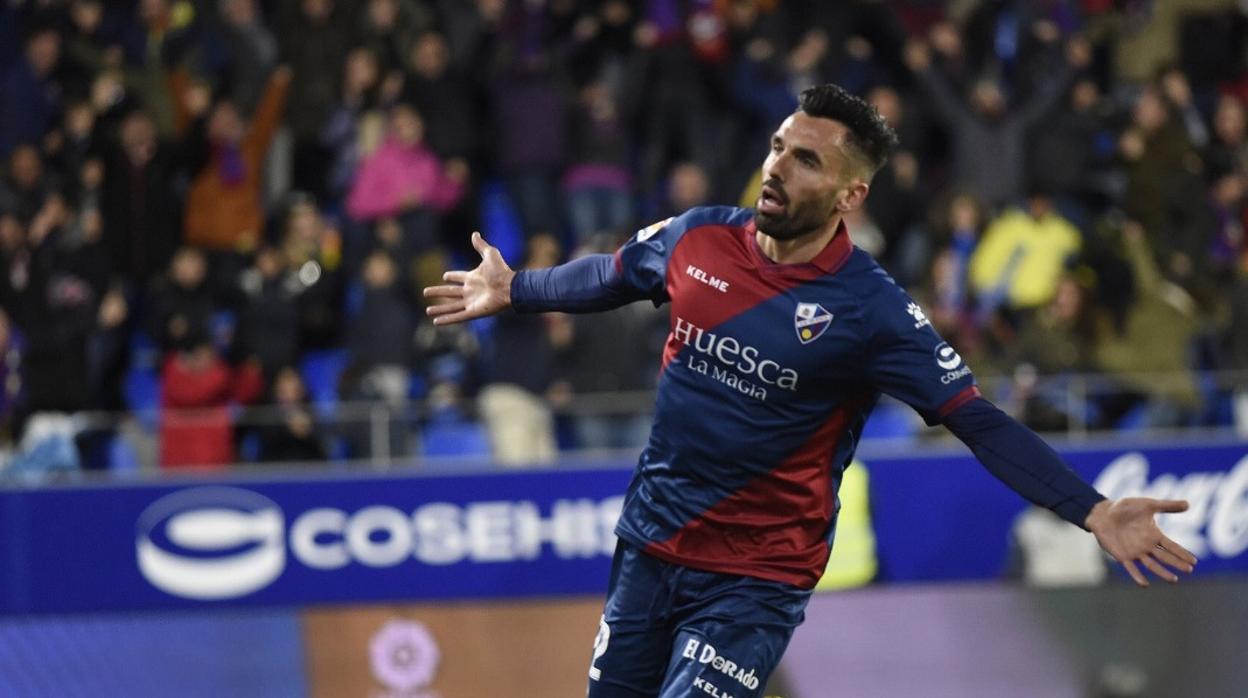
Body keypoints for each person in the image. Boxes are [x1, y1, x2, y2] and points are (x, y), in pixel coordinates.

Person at [423, 84, 1197, 698]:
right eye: (777, 147)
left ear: (849, 196)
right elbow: (613, 275)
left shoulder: (875, 313)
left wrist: (1089, 509)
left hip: (757, 577)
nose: (777, 167)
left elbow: (978, 421)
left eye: (806, 162)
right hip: (650, 548)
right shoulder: (699, 239)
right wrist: (518, 288)